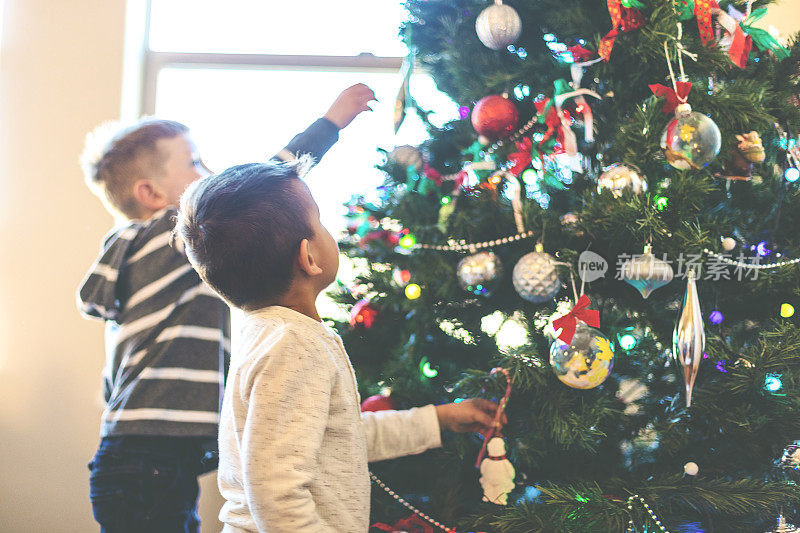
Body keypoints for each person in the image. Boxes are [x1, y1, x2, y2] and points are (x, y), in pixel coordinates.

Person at [77, 83, 377, 533]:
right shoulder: (167, 236)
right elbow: (259, 187)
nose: (209, 171)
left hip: (140, 459)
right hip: (144, 462)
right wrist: (329, 124)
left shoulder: (138, 259)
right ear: (152, 194)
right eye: (194, 163)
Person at [175, 161, 504, 532]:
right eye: (320, 221)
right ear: (309, 258)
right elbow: (276, 494)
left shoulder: (269, 333)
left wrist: (440, 419)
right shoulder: (292, 345)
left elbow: (342, 437)